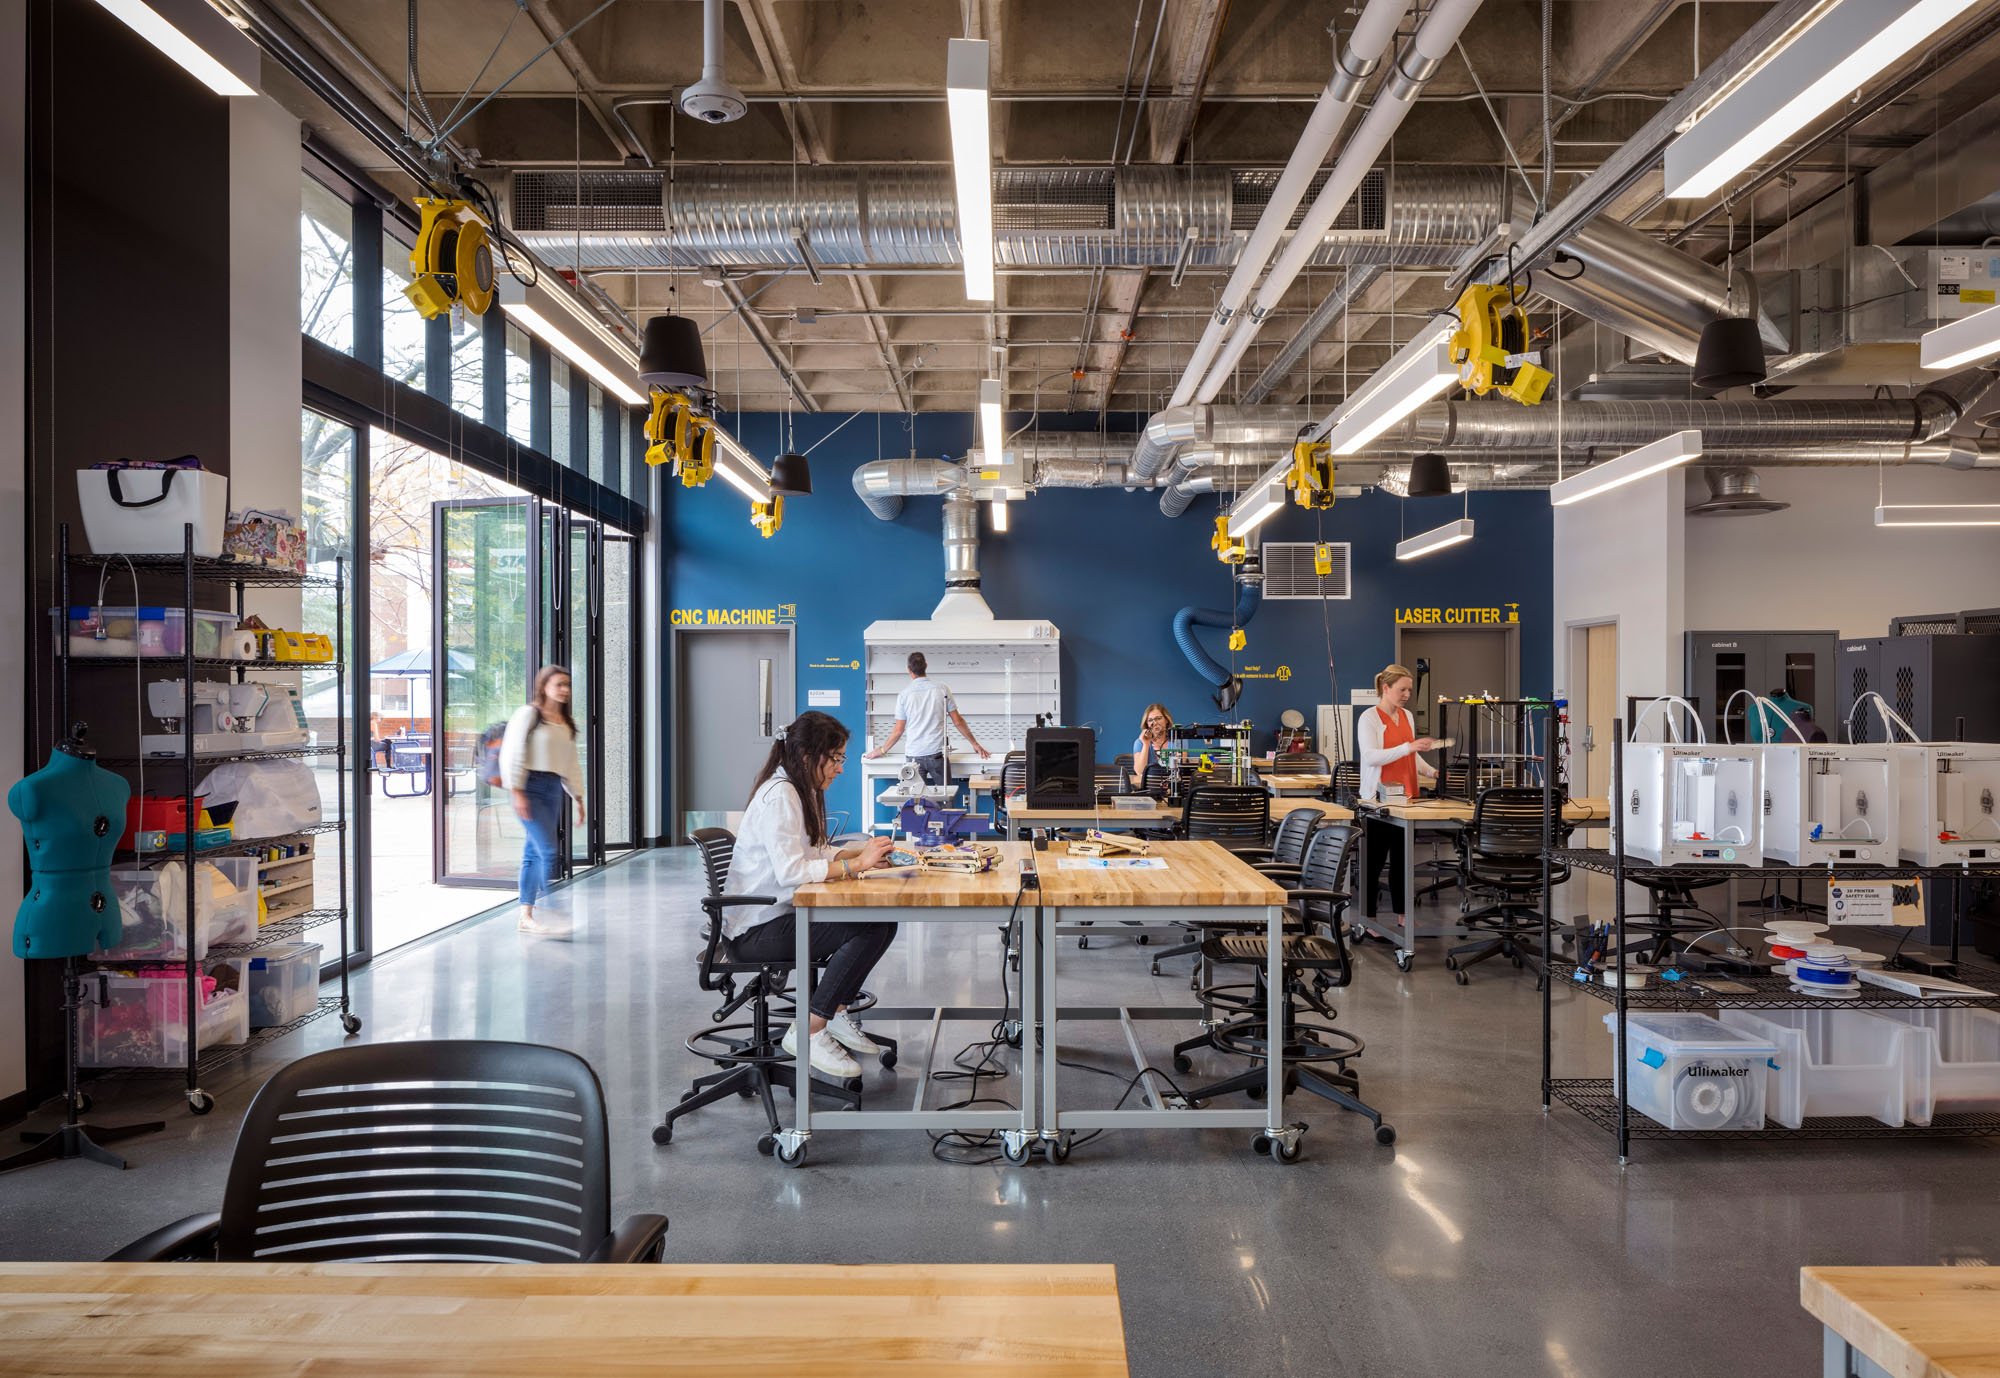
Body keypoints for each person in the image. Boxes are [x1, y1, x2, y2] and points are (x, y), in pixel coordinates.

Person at [728, 711, 899, 1080]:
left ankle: (833, 1012)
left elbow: (810, 853)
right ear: (808, 757)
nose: (840, 768)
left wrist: (859, 855)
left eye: (841, 758)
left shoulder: (795, 789)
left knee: (884, 919)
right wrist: (855, 867)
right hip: (756, 930)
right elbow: (792, 872)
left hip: (778, 915)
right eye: (835, 758)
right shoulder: (781, 796)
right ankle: (810, 1030)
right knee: (869, 925)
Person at [501, 665, 585, 937]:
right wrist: (516, 791)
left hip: (553, 789)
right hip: (529, 787)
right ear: (544, 686)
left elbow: (571, 764)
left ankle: (525, 916)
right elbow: (511, 752)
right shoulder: (529, 714)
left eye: (568, 685)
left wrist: (579, 797)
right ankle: (557, 912)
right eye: (559, 684)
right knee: (548, 851)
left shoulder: (566, 723)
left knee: (533, 853)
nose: (565, 690)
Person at [1358, 663, 1439, 922]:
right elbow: (1371, 757)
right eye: (1402, 689)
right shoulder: (1369, 718)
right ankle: (1368, 919)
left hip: (1406, 799)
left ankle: (1403, 916)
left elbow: (1411, 755)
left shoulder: (1407, 717)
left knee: (1403, 863)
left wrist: (1432, 772)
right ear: (1386, 688)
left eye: (1409, 690)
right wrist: (1408, 747)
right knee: (1374, 864)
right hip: (1378, 801)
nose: (1407, 695)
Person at [862, 651, 989, 784]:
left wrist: (882, 750)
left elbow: (898, 731)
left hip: (914, 756)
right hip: (937, 755)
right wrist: (975, 743)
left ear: (909, 670)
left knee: (916, 800)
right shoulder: (942, 689)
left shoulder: (904, 695)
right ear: (926, 666)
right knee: (945, 798)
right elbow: (958, 721)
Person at [1130, 703, 1173, 789]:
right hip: (1148, 790)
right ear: (1147, 724)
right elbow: (1139, 771)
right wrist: (1146, 744)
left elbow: (1180, 771)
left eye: (1158, 718)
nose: (1155, 723)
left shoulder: (1176, 742)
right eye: (1150, 720)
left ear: (1166, 720)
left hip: (1171, 789)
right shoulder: (1140, 743)